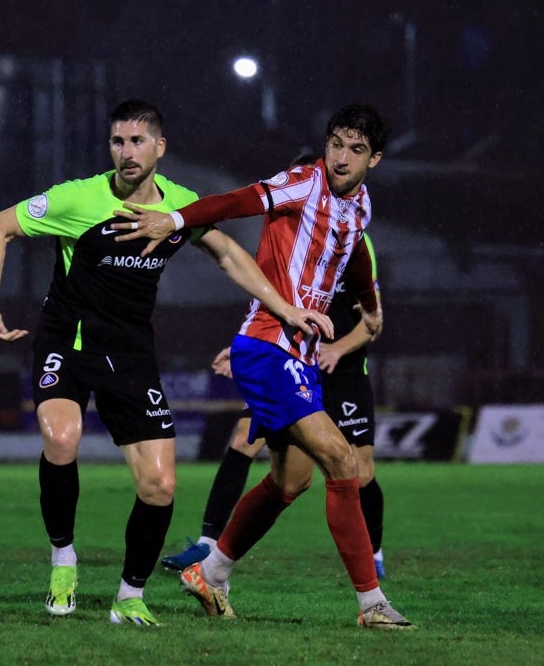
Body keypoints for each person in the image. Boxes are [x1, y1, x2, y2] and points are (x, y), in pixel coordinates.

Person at [0, 99, 331, 626]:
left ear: (160, 148)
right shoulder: (79, 198)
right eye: (118, 141)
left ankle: (129, 596)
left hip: (131, 350)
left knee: (161, 486)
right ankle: (63, 560)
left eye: (138, 141)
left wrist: (284, 308)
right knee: (61, 436)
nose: (126, 152)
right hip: (67, 340)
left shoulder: (178, 207)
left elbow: (230, 254)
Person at [114, 103, 413, 629]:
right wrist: (177, 219)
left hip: (297, 357)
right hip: (268, 345)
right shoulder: (302, 181)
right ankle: (372, 604)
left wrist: (369, 306)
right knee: (342, 461)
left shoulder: (359, 205)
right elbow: (236, 202)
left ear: (376, 159)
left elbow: (356, 255)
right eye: (336, 144)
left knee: (290, 481)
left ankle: (212, 571)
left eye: (356, 150)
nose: (342, 158)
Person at [162, 234, 388, 580]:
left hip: (343, 371)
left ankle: (373, 553)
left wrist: (338, 349)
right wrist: (243, 348)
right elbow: (275, 308)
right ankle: (209, 544)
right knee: (243, 440)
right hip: (293, 363)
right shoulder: (293, 242)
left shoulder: (356, 240)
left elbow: (371, 321)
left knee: (359, 469)